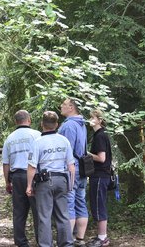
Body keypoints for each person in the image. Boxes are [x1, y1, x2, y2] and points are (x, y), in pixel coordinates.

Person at [26, 111, 76, 247]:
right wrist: (70, 186)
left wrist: (29, 186)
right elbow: (71, 166)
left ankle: (46, 245)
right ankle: (66, 244)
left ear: (42, 124)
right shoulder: (64, 140)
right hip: (62, 180)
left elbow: (31, 167)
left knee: (44, 216)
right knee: (63, 215)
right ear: (57, 125)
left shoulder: (37, 142)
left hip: (44, 182)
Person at [2, 110, 41, 247]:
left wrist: (7, 182)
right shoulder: (37, 135)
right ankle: (41, 241)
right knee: (38, 211)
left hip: (17, 177)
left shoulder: (10, 139)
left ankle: (21, 243)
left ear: (15, 121)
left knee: (19, 212)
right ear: (29, 120)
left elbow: (6, 163)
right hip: (35, 176)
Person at [59, 98, 89, 246]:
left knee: (69, 202)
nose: (61, 107)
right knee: (80, 201)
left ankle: (67, 240)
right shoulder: (81, 124)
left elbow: (67, 150)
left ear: (71, 107)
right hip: (82, 168)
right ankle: (80, 238)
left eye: (64, 105)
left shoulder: (69, 125)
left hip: (72, 169)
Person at [86, 109, 112, 247]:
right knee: (98, 204)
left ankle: (102, 238)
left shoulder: (100, 136)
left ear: (100, 120)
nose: (90, 119)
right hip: (101, 175)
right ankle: (100, 236)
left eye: (93, 117)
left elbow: (101, 158)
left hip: (101, 175)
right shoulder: (100, 134)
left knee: (99, 205)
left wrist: (87, 153)